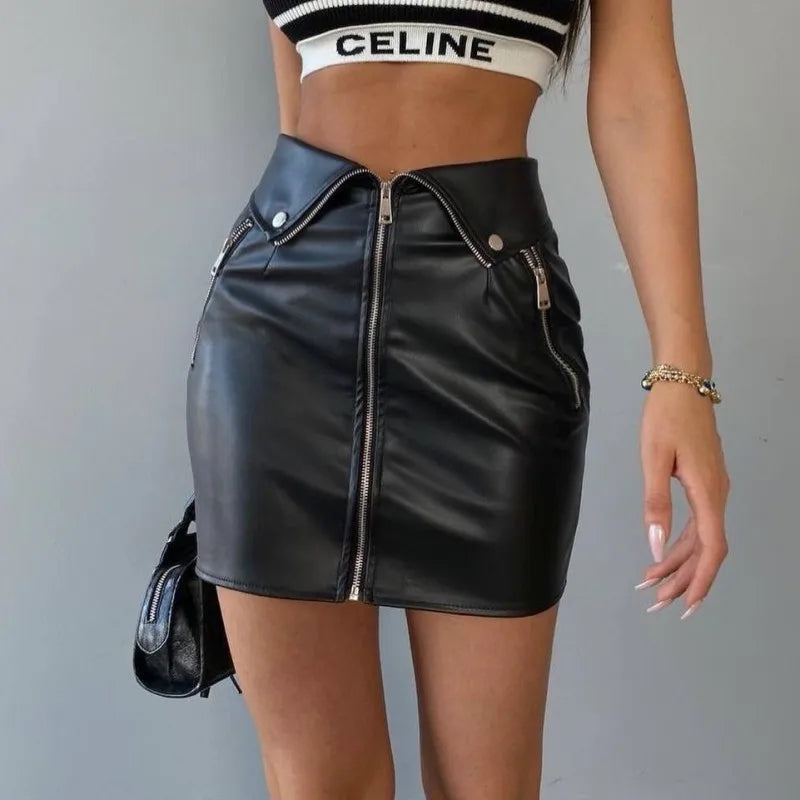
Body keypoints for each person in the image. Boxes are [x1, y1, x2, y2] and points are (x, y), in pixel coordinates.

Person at [185, 0, 731, 797]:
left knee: (486, 788)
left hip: (491, 330)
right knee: (318, 785)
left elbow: (637, 102)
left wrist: (684, 375)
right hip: (278, 330)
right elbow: (300, 95)